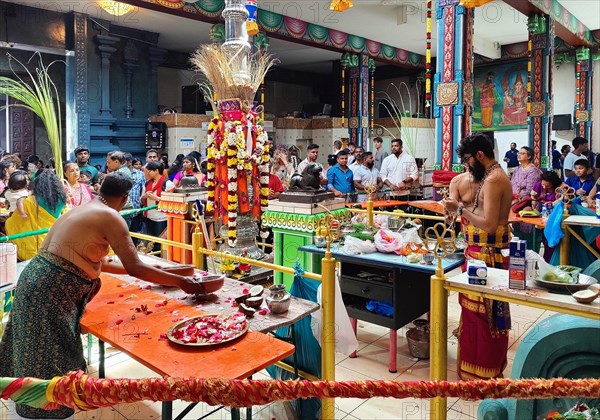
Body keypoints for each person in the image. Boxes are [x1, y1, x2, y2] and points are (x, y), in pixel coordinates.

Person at [0, 172, 205, 419]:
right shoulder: (111, 216)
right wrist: (181, 282)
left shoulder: (86, 208)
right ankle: (46, 410)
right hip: (50, 287)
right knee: (51, 350)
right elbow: (134, 267)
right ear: (125, 196)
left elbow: (103, 261)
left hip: (35, 278)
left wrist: (164, 271)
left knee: (32, 342)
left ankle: (26, 402)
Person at [443, 133, 513, 381]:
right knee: (475, 314)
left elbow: (491, 226)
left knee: (485, 316)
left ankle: (482, 377)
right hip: (477, 253)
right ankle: (477, 372)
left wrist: (460, 209)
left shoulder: (494, 180)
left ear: (480, 155)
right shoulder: (490, 176)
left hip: (488, 255)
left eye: (467, 158)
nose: (466, 163)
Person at [5, 170, 67, 261]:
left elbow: (13, 222)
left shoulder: (29, 201)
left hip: (34, 245)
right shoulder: (62, 200)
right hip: (55, 241)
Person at [142, 161, 173, 252]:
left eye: (149, 171)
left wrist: (156, 198)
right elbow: (141, 199)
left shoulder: (168, 184)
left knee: (159, 244)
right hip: (149, 217)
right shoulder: (147, 183)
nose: (147, 173)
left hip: (161, 218)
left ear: (156, 171)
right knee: (149, 241)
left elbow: (172, 202)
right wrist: (145, 196)